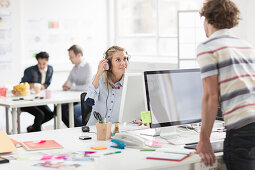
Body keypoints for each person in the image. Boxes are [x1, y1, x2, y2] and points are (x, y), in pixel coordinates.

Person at [196, 0, 255, 169]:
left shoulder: (208, 47)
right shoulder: (246, 45)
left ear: (207, 19)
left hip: (241, 130)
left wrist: (204, 139)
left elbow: (211, 97)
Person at [85, 46, 130, 126]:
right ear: (108, 64)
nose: (123, 63)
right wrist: (98, 74)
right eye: (118, 60)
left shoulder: (130, 82)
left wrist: (141, 120)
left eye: (125, 59)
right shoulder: (99, 78)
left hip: (117, 131)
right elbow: (89, 101)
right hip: (95, 129)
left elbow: (139, 108)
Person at [20, 52, 54, 132]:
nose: (41, 66)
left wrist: (44, 86)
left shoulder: (50, 69)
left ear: (47, 62)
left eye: (44, 64)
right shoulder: (29, 70)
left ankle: (33, 127)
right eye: (39, 63)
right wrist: (29, 85)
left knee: (50, 114)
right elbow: (21, 85)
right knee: (40, 114)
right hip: (27, 100)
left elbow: (48, 83)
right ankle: (37, 134)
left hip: (39, 99)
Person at [61, 45, 92, 127]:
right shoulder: (75, 68)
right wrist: (66, 86)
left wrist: (71, 87)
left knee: (71, 112)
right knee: (60, 108)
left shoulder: (88, 66)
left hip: (88, 99)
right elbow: (68, 82)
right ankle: (72, 129)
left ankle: (83, 130)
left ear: (78, 55)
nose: (69, 59)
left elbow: (87, 87)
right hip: (77, 98)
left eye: (71, 57)